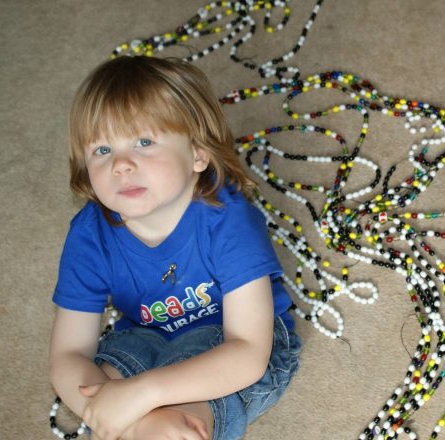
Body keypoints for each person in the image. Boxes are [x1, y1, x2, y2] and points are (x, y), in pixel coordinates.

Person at [49, 56, 301, 440]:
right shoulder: (89, 236)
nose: (121, 165)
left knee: (167, 425)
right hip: (145, 337)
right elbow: (68, 354)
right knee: (113, 369)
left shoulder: (230, 221)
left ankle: (166, 426)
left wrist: (144, 394)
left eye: (144, 142)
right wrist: (99, 409)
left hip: (237, 343)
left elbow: (248, 352)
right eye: (102, 150)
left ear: (198, 154)